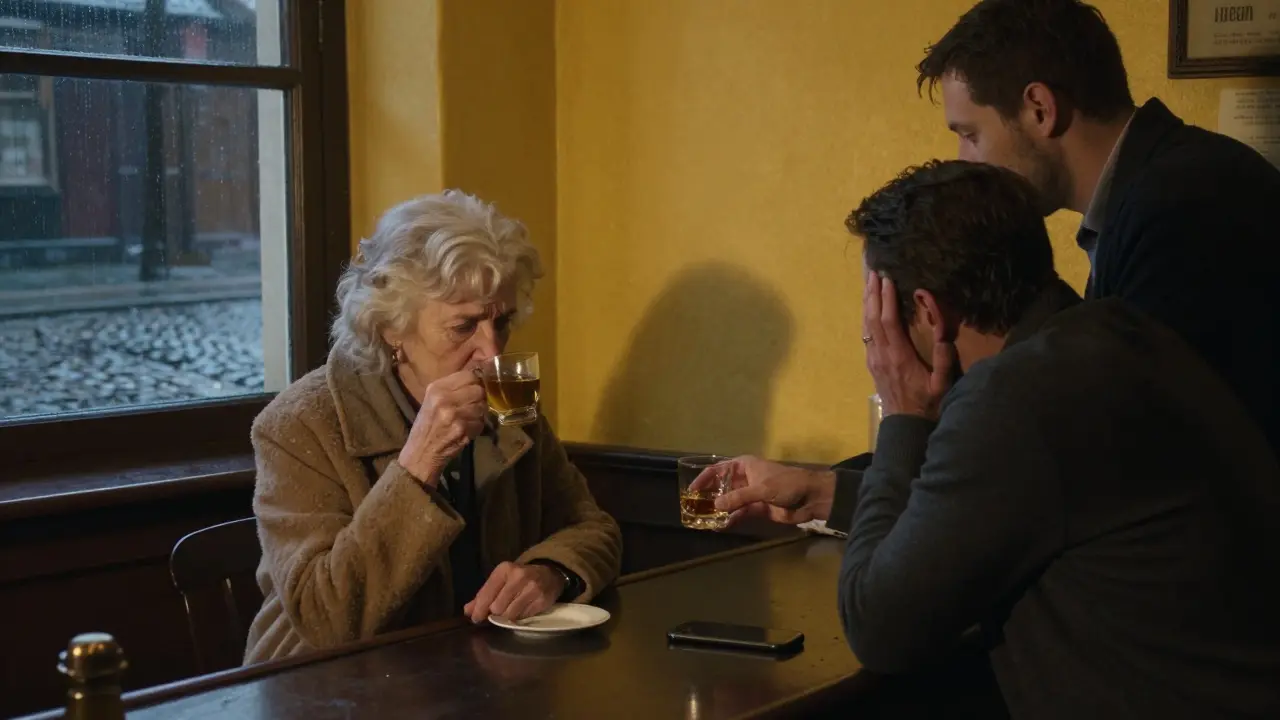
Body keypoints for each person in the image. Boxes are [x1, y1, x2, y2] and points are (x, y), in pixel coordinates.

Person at [710, 160, 1280, 718]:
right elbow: (996, 511)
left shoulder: (1016, 398)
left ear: (929, 314)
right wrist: (824, 491)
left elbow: (878, 627)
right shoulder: (1112, 335)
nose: (874, 344)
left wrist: (903, 416)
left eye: (877, 324)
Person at [243, 191, 622, 664]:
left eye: (501, 321)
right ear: (391, 328)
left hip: (467, 675)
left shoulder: (506, 400)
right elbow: (327, 621)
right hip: (322, 689)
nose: (494, 353)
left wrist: (551, 571)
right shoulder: (299, 424)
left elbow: (593, 526)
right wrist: (418, 464)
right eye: (464, 327)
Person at [916, 0, 1280, 457]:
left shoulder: (1180, 208)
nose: (963, 162)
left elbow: (1127, 449)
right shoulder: (1161, 187)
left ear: (1040, 109)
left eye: (971, 135)